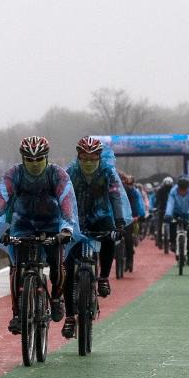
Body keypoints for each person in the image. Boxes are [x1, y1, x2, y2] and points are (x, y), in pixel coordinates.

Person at [0, 135, 79, 335]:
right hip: (22, 224)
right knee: (16, 269)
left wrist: (66, 230)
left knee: (57, 266)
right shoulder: (14, 175)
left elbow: (67, 205)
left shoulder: (58, 175)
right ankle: (17, 314)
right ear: (23, 159)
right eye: (30, 160)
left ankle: (56, 298)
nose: (35, 164)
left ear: (46, 157)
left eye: (39, 159)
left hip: (52, 225)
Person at [63, 137, 131, 336]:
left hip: (101, 216)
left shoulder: (108, 173)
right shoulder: (70, 173)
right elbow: (62, 197)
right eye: (85, 158)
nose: (89, 162)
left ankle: (103, 277)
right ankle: (69, 317)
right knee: (67, 268)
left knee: (110, 236)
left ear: (99, 158)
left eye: (93, 158)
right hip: (77, 218)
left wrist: (119, 222)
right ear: (79, 157)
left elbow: (116, 197)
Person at [164, 176, 189, 260]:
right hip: (176, 212)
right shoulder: (173, 191)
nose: (182, 192)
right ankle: (173, 243)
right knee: (172, 224)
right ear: (178, 188)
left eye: (184, 190)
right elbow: (170, 203)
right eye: (180, 190)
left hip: (188, 213)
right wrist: (168, 214)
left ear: (188, 188)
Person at [121, 172, 147, 272]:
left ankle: (129, 261)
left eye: (130, 184)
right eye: (126, 183)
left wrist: (138, 215)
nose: (128, 186)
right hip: (117, 218)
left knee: (128, 239)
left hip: (129, 217)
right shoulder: (115, 190)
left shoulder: (134, 192)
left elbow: (138, 203)